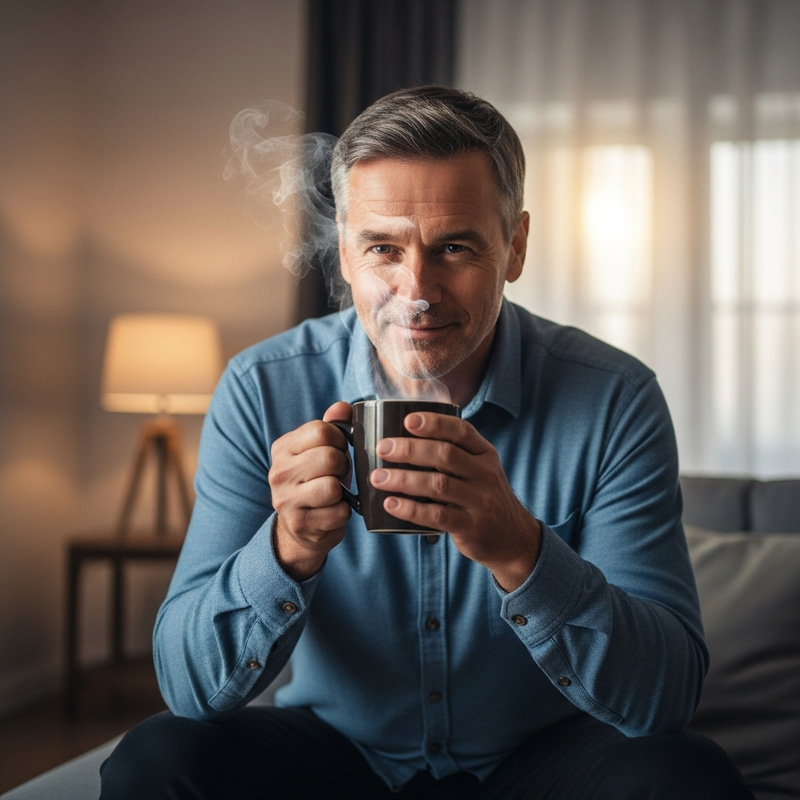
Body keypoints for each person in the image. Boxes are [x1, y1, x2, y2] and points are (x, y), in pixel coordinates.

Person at [100, 86, 752, 799]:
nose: (417, 291)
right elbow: (188, 688)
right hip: (339, 758)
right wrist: (283, 551)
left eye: (454, 247)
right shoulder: (261, 390)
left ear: (516, 246)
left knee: (691, 777)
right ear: (345, 254)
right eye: (383, 248)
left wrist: (520, 550)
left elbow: (665, 699)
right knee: (154, 760)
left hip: (536, 763)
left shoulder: (613, 398)